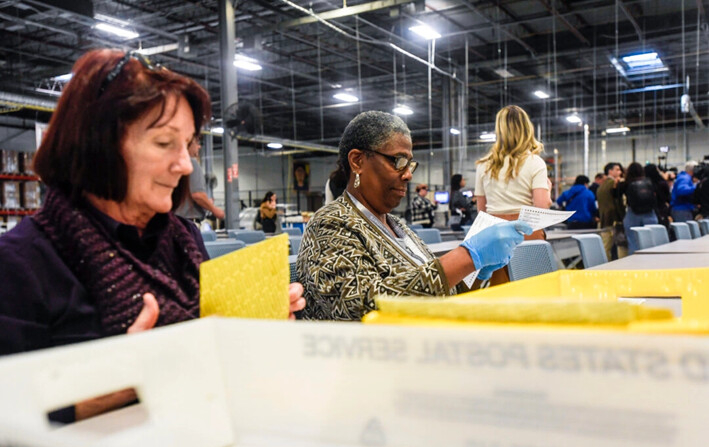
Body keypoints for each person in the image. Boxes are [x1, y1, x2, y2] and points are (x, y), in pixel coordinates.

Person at [0, 49, 305, 417]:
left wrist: (251, 332)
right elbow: (11, 412)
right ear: (99, 144)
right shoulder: (21, 262)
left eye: (187, 145)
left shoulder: (184, 241)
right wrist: (117, 384)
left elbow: (212, 364)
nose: (183, 165)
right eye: (164, 143)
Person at [297, 111, 532, 321]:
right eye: (398, 161)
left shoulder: (397, 225)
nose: (408, 175)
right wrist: (466, 257)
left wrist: (477, 274)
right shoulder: (330, 222)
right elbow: (360, 306)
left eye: (410, 164)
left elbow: (440, 292)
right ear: (358, 161)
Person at [474, 105, 551, 285]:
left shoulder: (484, 165)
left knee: (501, 295)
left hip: (494, 235)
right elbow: (541, 208)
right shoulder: (535, 162)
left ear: (498, 130)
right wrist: (547, 189)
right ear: (527, 128)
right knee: (533, 292)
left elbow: (481, 212)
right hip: (526, 233)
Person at [175, 136, 225, 224]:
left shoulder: (174, 164)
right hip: (188, 221)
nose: (199, 146)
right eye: (197, 143)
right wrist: (214, 209)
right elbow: (197, 195)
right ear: (189, 144)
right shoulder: (191, 163)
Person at [617, 162, 658, 254]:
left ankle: (635, 264)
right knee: (651, 241)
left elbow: (616, 194)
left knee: (633, 241)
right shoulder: (649, 182)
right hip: (649, 213)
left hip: (633, 214)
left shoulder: (626, 183)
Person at [597, 162, 626, 260]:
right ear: (610, 171)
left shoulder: (601, 186)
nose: (620, 172)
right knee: (621, 247)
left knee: (606, 248)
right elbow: (618, 202)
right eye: (617, 169)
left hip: (604, 220)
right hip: (615, 220)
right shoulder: (615, 184)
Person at [644, 163, 671, 228]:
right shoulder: (662, 183)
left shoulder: (645, 184)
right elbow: (668, 197)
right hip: (662, 209)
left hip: (648, 212)